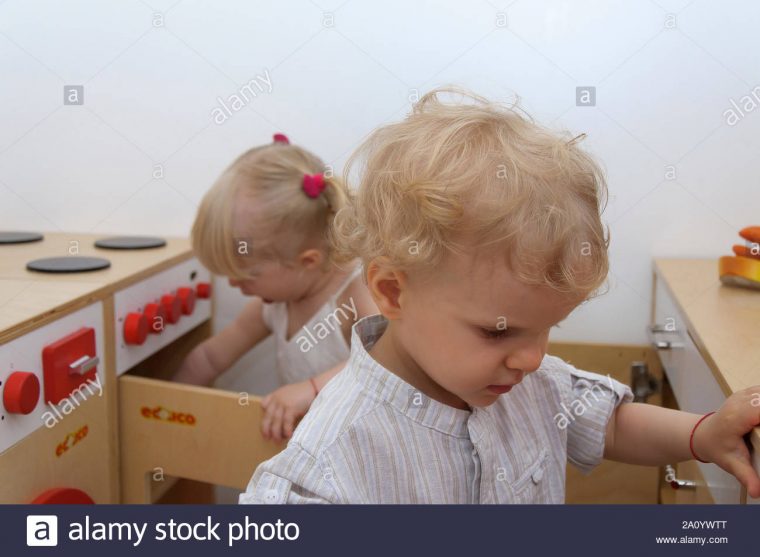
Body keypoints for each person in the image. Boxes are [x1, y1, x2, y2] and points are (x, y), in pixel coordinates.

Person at [239, 90, 760, 503]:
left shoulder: (528, 387)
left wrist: (706, 435)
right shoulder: (335, 455)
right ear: (394, 291)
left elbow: (613, 424)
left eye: (546, 328)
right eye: (499, 330)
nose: (532, 358)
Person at [174, 134, 377, 442]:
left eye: (247, 275)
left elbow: (388, 360)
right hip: (313, 449)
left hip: (364, 450)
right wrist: (166, 402)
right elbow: (210, 359)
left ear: (306, 261)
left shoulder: (354, 293)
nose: (233, 284)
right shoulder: (274, 305)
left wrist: (312, 388)